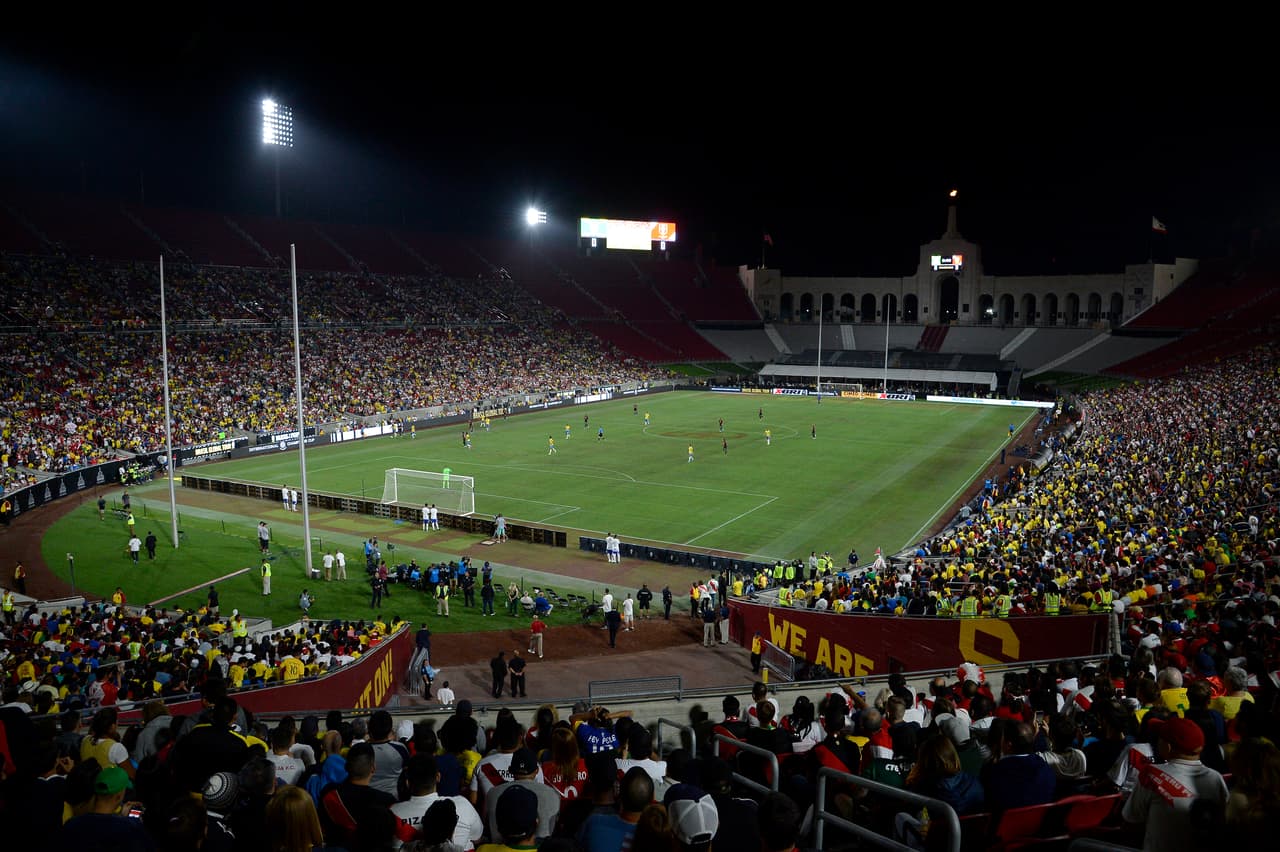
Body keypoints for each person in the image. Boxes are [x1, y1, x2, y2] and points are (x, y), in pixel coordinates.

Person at [1122, 717, 1229, 852]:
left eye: (1160, 738)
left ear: (1168, 746)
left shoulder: (1151, 774)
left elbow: (1131, 823)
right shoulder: (1216, 777)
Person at [391, 753, 484, 850]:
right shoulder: (462, 804)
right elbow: (477, 838)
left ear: (407, 783)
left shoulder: (392, 813)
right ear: (438, 777)